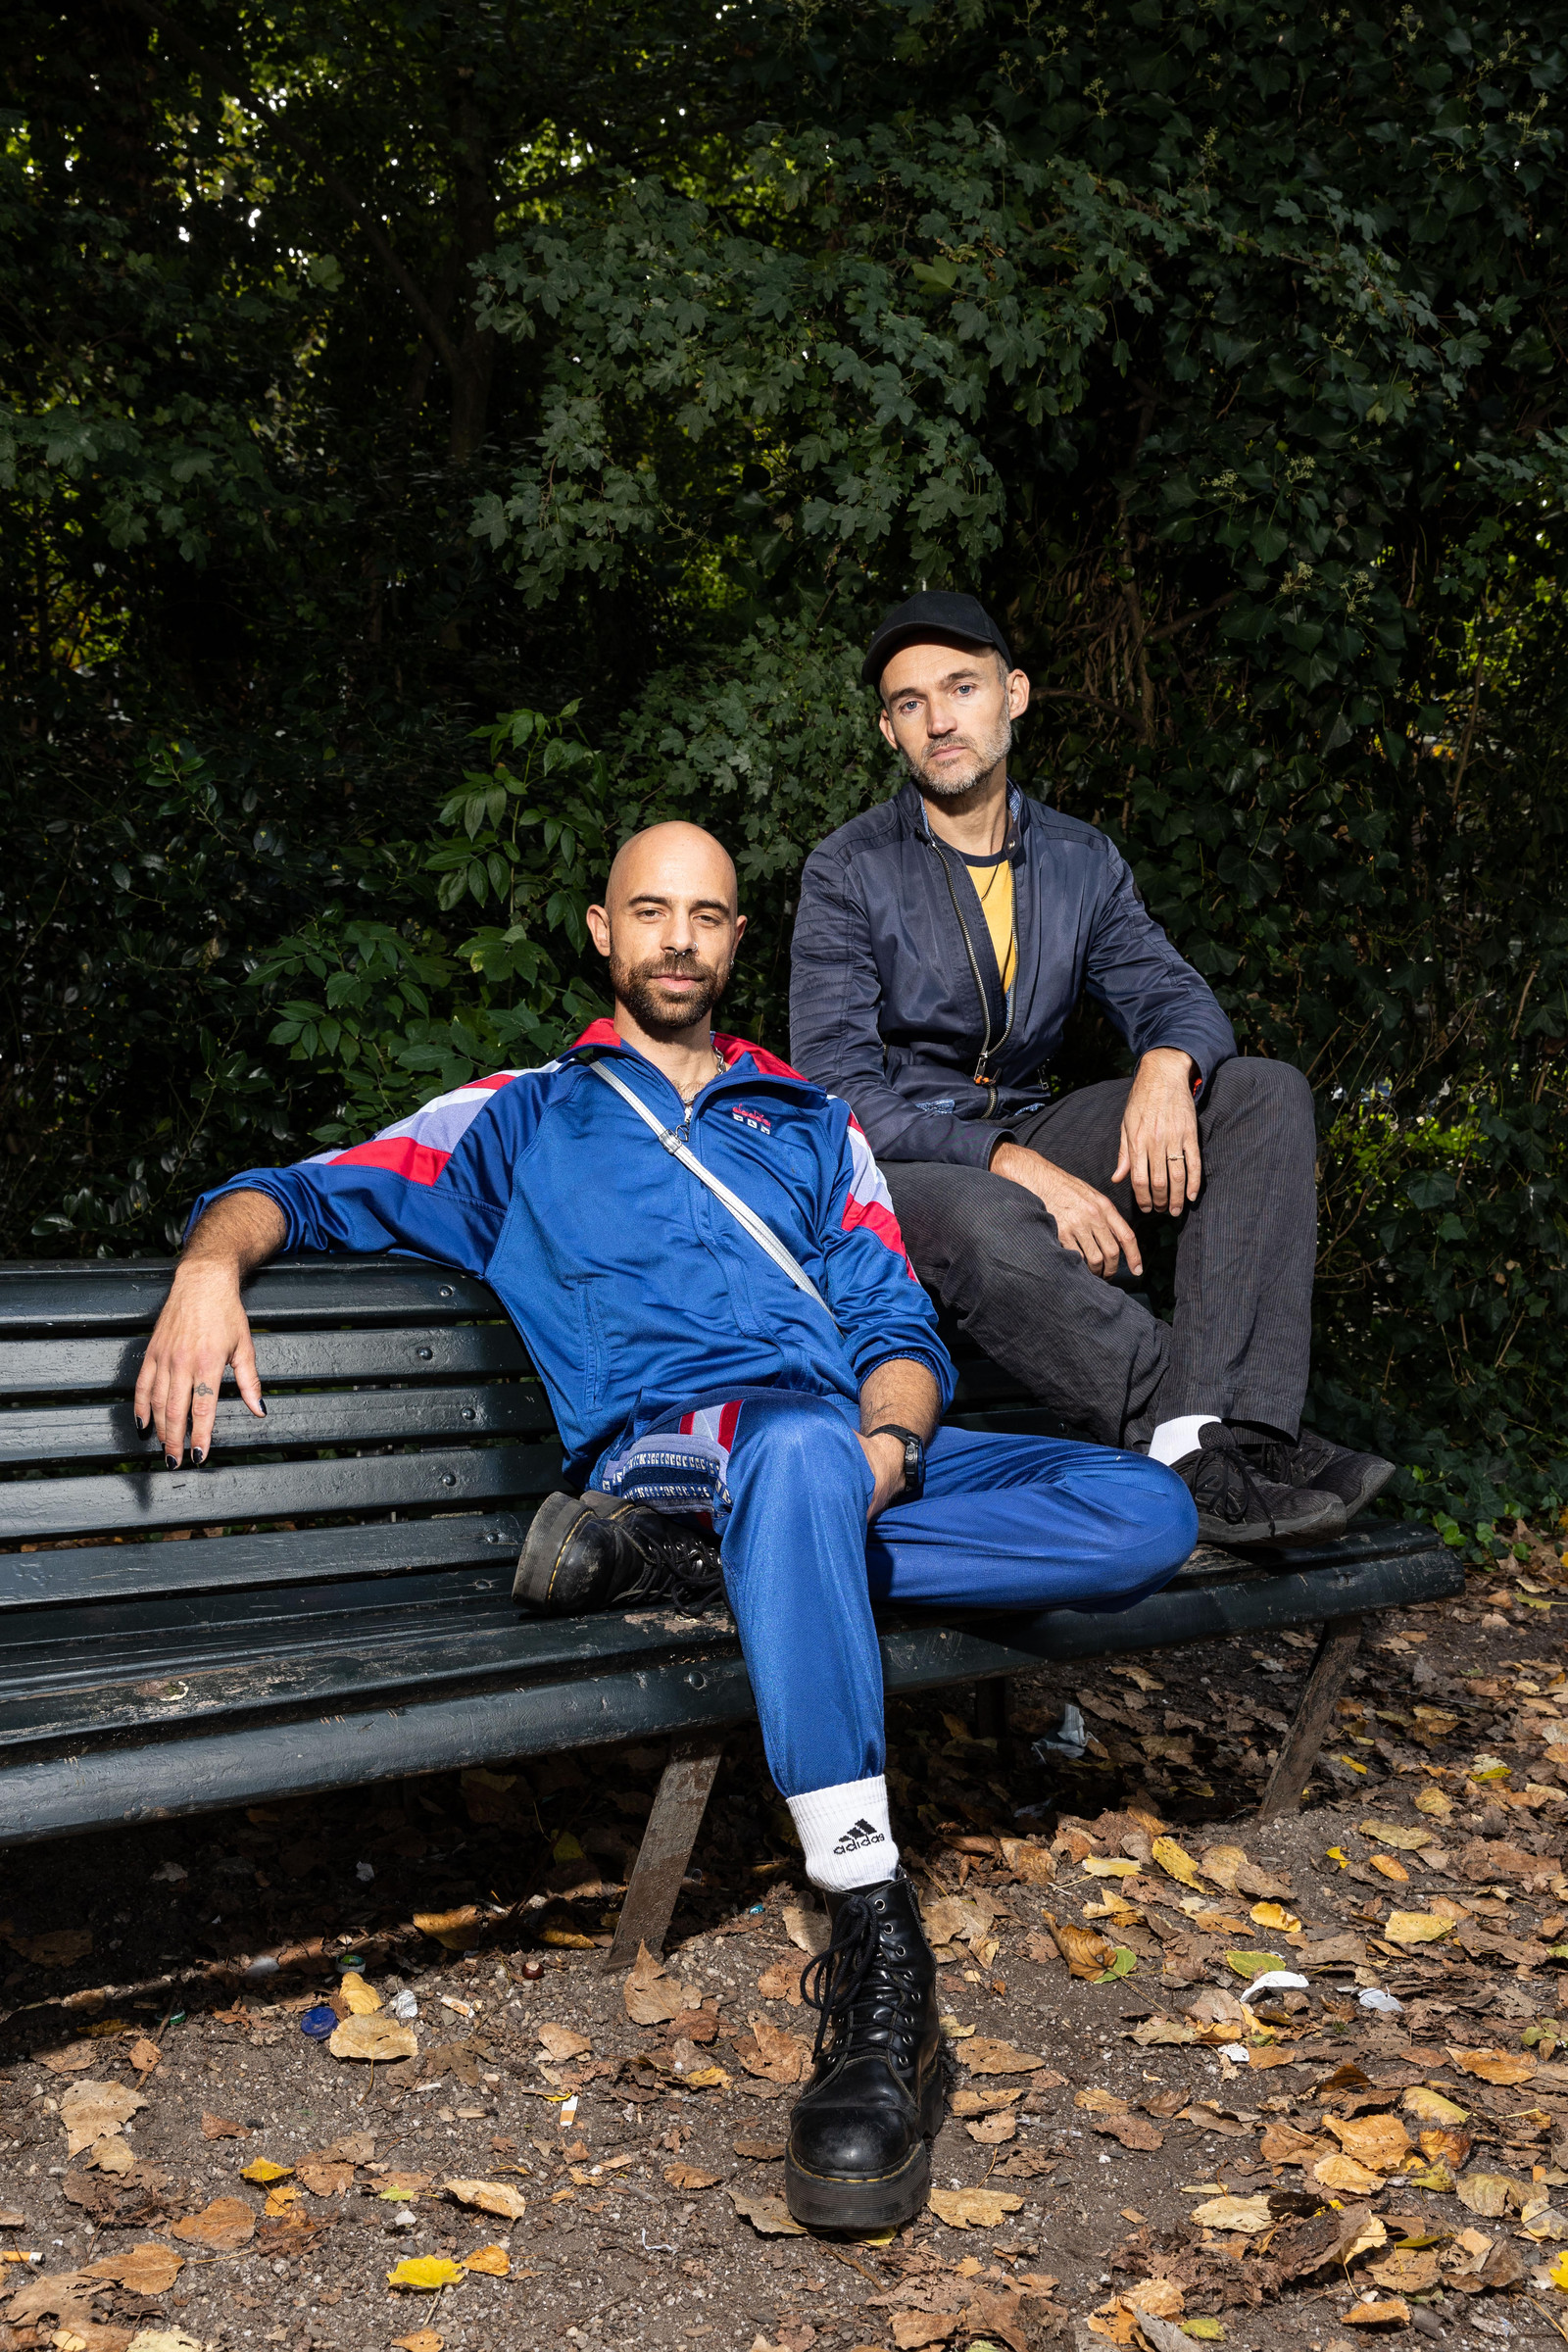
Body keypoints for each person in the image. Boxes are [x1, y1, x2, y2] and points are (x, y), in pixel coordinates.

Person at [135, 819, 1197, 2233]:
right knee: (800, 1455)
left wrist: (889, 1444)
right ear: (602, 930)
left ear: (737, 941)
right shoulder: (521, 1117)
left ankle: (730, 1561)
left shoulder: (813, 1122)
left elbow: (892, 1324)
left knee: (1147, 1505)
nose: (679, 940)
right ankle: (875, 1941)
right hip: (683, 1445)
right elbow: (308, 1188)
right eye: (651, 913)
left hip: (842, 1447)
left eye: (707, 917)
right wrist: (210, 1264)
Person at [789, 590, 1396, 1548]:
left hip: (1029, 1123)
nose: (939, 719)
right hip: (893, 1163)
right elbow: (836, 1096)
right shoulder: (846, 870)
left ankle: (1218, 1437)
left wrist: (1166, 1061)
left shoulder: (1079, 858)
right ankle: (1195, 1445)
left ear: (1014, 694)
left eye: (960, 687)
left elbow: (1178, 994)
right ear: (888, 729)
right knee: (988, 1215)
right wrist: (1008, 1161)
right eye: (909, 702)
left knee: (1260, 1094)